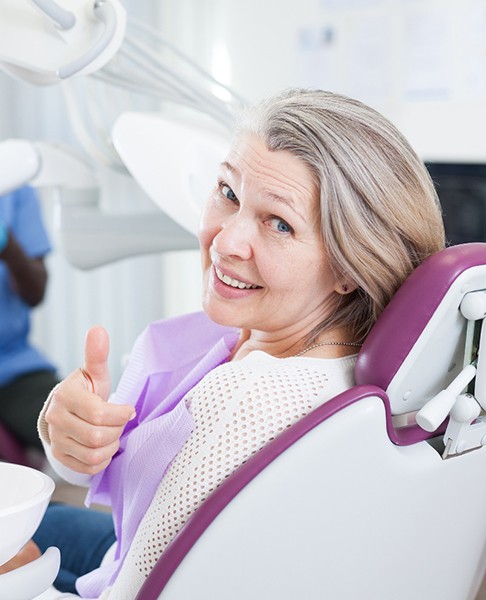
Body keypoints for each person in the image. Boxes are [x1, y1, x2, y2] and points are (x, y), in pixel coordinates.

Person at [1, 89, 445, 598]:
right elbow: (105, 474)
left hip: (123, 580)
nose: (226, 241)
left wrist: (24, 586)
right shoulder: (257, 339)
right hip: (124, 548)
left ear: (349, 265)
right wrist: (71, 436)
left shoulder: (246, 401)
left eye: (279, 224)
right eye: (228, 193)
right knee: (51, 520)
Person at [0, 185, 58, 454]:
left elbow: (35, 291)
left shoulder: (13, 185)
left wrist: (7, 245)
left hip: (14, 367)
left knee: (70, 427)